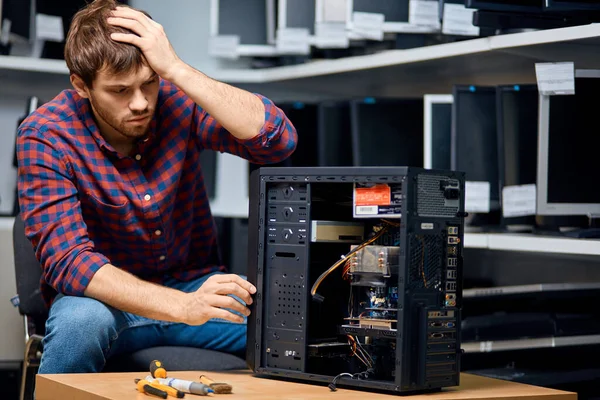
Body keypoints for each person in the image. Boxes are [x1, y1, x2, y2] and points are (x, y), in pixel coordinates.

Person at [16, 0, 297, 374]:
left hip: (194, 290)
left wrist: (176, 69)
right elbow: (71, 264)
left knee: (296, 315)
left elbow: (276, 141)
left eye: (149, 83)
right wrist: (183, 307)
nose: (140, 103)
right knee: (79, 325)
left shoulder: (174, 101)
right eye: (119, 91)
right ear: (81, 86)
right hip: (107, 306)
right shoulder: (46, 134)